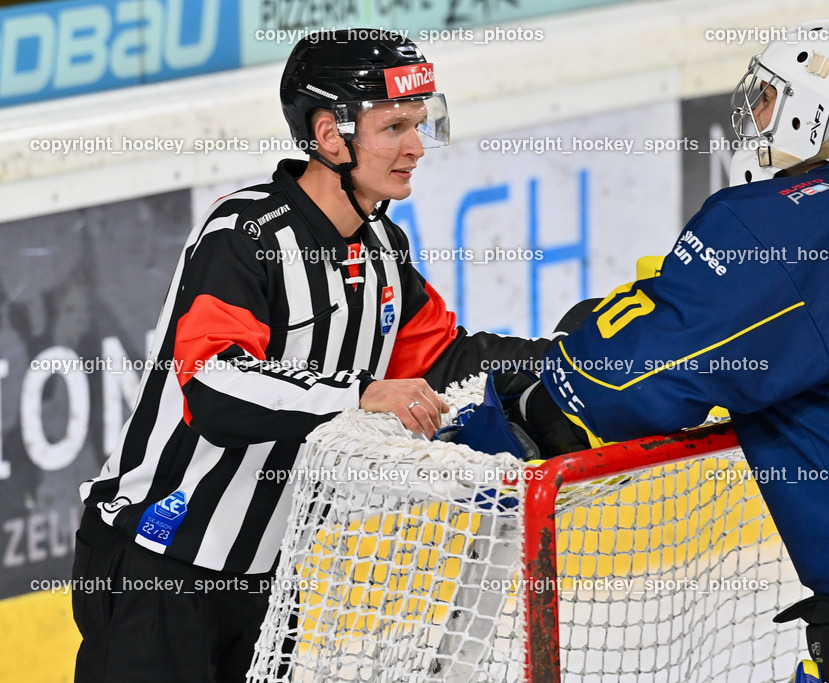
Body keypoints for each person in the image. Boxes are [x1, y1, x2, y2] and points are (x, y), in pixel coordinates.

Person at [514, 18, 829, 682]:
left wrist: (526, 397)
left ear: (815, 114)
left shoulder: (774, 219)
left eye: (768, 99)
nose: (755, 118)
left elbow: (620, 386)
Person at [72, 29, 550, 682]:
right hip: (158, 562)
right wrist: (357, 393)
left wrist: (577, 356)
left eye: (421, 122)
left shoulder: (382, 246)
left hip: (267, 571)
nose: (415, 147)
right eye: (395, 127)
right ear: (330, 135)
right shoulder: (244, 235)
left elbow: (447, 356)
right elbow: (214, 384)